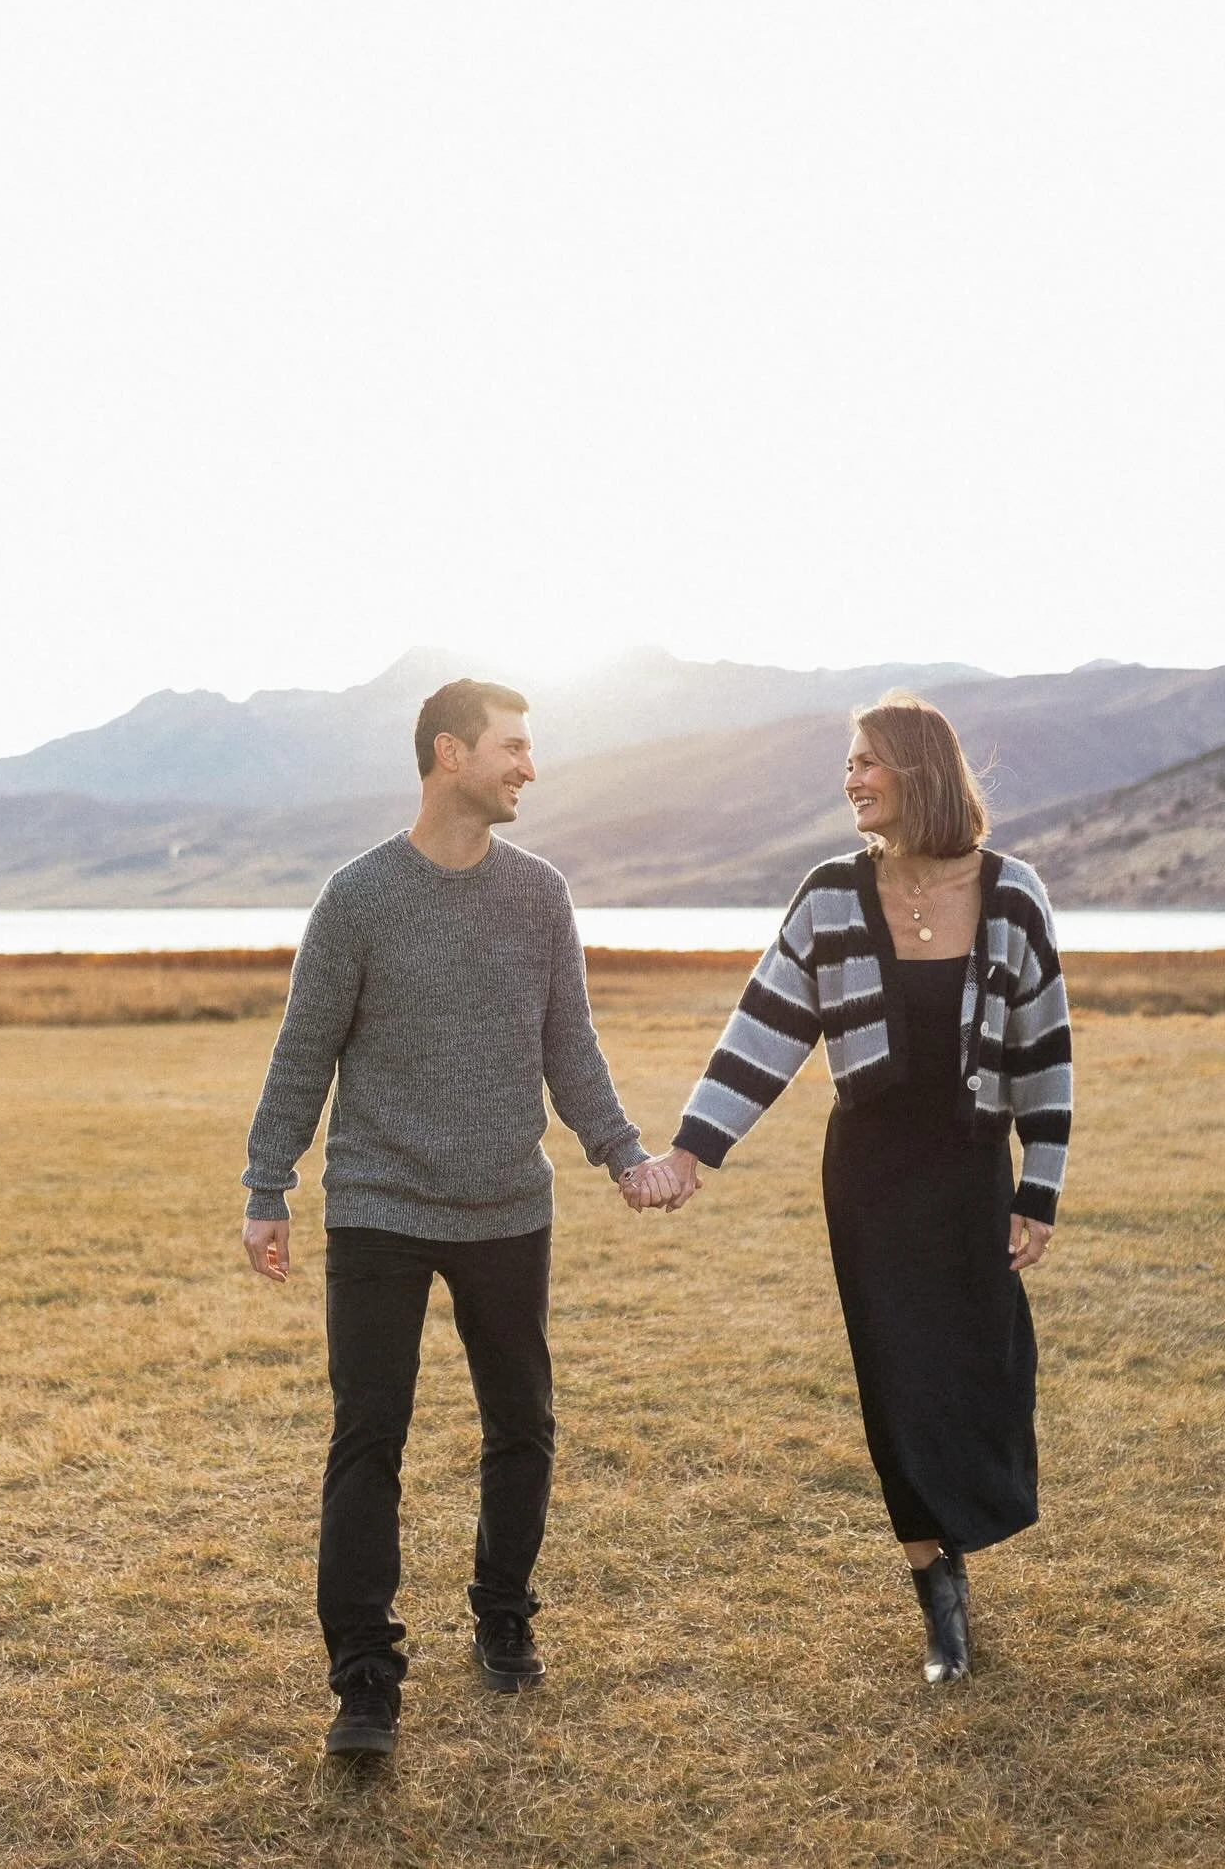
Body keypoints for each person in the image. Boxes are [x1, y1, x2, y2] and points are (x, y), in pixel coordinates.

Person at [241, 677, 683, 1758]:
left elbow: (569, 1043)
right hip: (380, 1205)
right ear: (451, 753)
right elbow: (304, 1050)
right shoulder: (358, 897)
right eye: (512, 746)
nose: (530, 765)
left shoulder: (540, 895)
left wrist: (621, 1151)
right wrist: (268, 1185)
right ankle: (363, 1679)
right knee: (368, 1432)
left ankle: (503, 1612)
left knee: (522, 1423)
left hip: (506, 1205)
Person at [623, 692, 1071, 1684]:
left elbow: (1045, 1048)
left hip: (973, 1168)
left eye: (867, 761)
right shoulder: (830, 893)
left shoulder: (1013, 893)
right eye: (848, 763)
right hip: (870, 1175)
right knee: (894, 1372)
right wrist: (691, 1151)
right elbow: (764, 1028)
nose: (851, 778)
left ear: (919, 768)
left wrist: (1038, 1187)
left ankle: (961, 1533)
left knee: (983, 1363)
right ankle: (936, 1591)